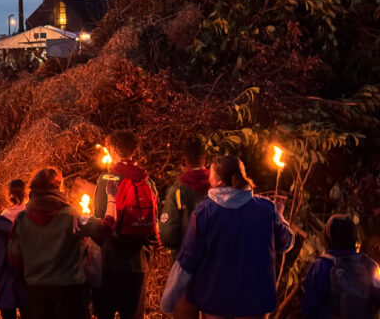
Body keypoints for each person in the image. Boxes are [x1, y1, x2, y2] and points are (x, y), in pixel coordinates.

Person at [161, 155, 295, 318]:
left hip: (215, 302)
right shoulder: (266, 208)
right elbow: (286, 243)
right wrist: (279, 219)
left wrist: (169, 298)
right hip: (255, 302)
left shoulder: (205, 212)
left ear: (219, 181)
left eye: (211, 174)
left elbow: (188, 260)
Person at [92, 130, 158, 319]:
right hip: (138, 262)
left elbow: (99, 219)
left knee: (105, 313)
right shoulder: (147, 181)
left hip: (109, 261)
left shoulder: (106, 179)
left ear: (111, 150)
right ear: (133, 152)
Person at [7, 168, 88, 319]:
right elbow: (95, 235)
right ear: (58, 188)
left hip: (35, 294)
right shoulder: (70, 215)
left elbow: (14, 257)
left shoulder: (22, 218)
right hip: (69, 292)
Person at [302, 214, 380, 319]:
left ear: (327, 237)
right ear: (354, 236)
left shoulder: (318, 267)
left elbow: (309, 309)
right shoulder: (369, 265)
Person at [160, 136, 210, 257]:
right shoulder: (218, 187)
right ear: (206, 161)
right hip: (214, 263)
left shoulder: (178, 191)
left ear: (183, 162)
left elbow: (169, 236)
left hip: (185, 261)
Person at [0, 179, 27, 319]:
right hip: (28, 277)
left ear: (8, 195)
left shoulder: (1, 220)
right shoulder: (32, 217)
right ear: (27, 195)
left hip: (7, 278)